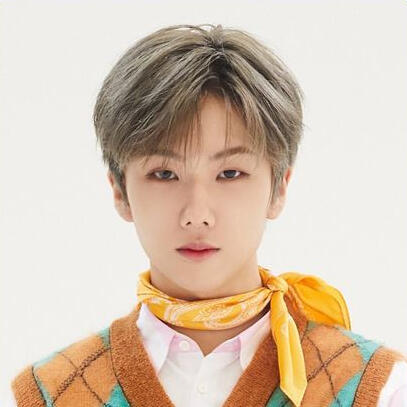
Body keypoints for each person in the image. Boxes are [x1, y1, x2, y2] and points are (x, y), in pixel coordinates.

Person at [10, 23, 407, 407]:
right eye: (164, 174)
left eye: (229, 173)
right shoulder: (45, 396)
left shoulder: (378, 391)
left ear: (279, 187)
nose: (197, 215)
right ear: (119, 191)